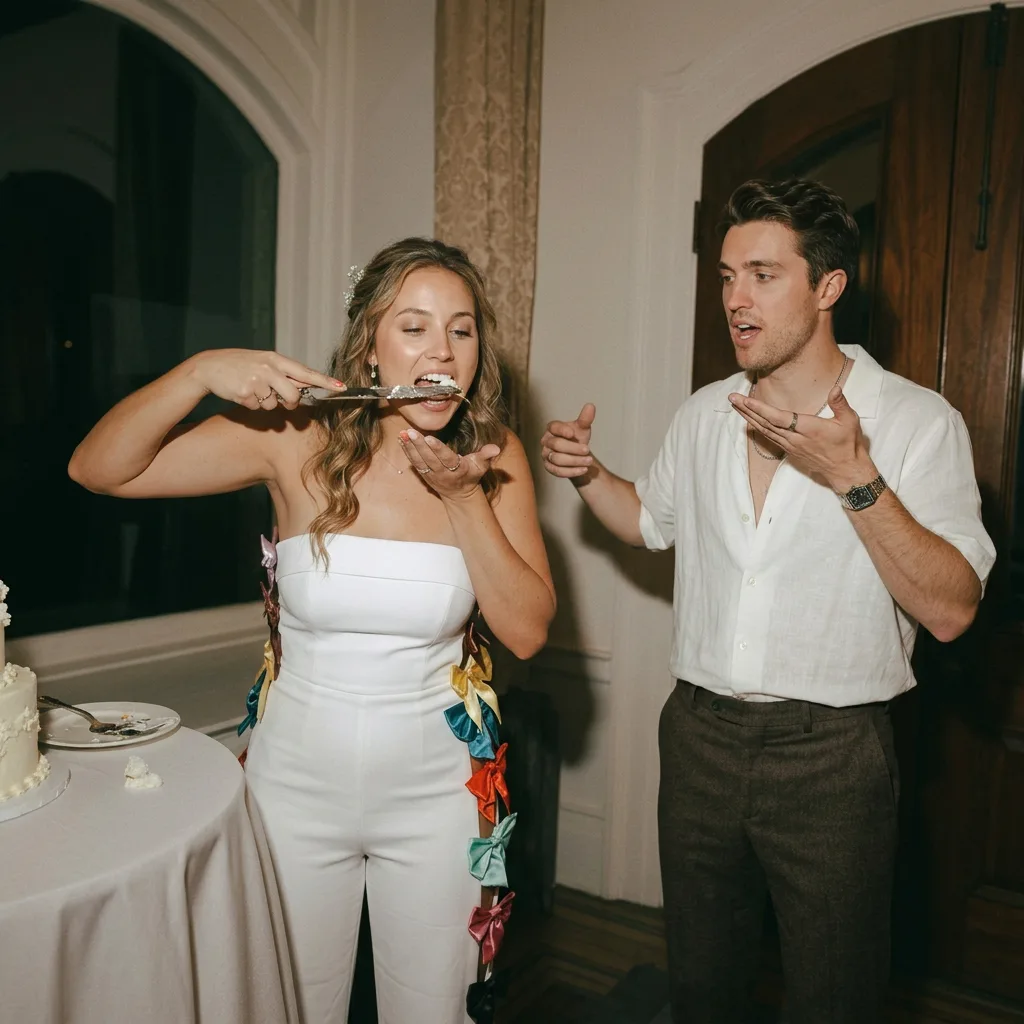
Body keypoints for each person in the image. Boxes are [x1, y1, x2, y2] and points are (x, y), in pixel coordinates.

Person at [540, 179, 995, 1024]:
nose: (734, 301)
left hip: (833, 757)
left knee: (834, 996)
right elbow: (647, 521)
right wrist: (589, 476)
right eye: (724, 277)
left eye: (760, 275)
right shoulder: (705, 412)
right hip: (700, 738)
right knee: (703, 986)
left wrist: (855, 479)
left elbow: (951, 610)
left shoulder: (918, 423)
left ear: (828, 287)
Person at [69, 238, 555, 1024]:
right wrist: (199, 371)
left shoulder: (493, 459)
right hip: (290, 790)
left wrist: (467, 502)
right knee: (285, 1008)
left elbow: (528, 632)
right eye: (415, 326)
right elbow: (100, 468)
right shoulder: (296, 439)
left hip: (437, 796)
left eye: (461, 330)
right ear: (370, 346)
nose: (442, 350)